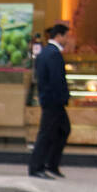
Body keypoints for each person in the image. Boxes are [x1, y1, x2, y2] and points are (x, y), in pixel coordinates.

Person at [28, 22, 71, 179]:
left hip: (51, 100)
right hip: (53, 101)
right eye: (66, 36)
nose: (68, 39)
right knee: (46, 133)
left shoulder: (46, 52)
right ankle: (36, 167)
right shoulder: (53, 54)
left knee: (63, 130)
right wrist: (62, 97)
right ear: (59, 36)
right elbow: (55, 80)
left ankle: (51, 164)